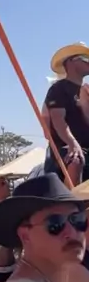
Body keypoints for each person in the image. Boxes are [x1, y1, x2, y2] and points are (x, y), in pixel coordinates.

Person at [43, 42, 89, 185]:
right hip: (65, 148)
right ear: (70, 61)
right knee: (76, 159)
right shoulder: (59, 89)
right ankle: (72, 197)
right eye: (85, 58)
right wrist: (73, 144)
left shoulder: (86, 91)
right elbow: (58, 120)